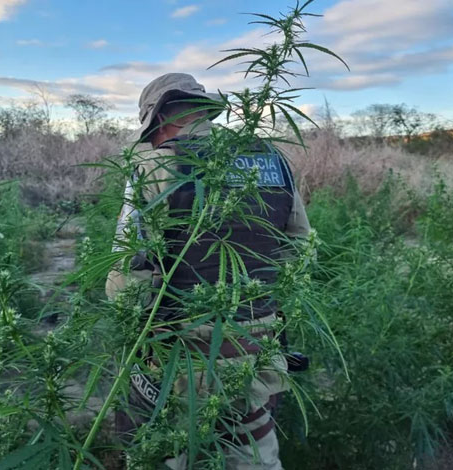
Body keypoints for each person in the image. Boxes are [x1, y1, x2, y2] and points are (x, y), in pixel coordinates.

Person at [106, 73, 312, 469]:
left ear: (161, 117)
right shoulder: (271, 161)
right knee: (253, 449)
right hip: (257, 357)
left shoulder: (150, 166)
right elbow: (298, 249)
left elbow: (126, 280)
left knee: (165, 452)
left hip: (179, 362)